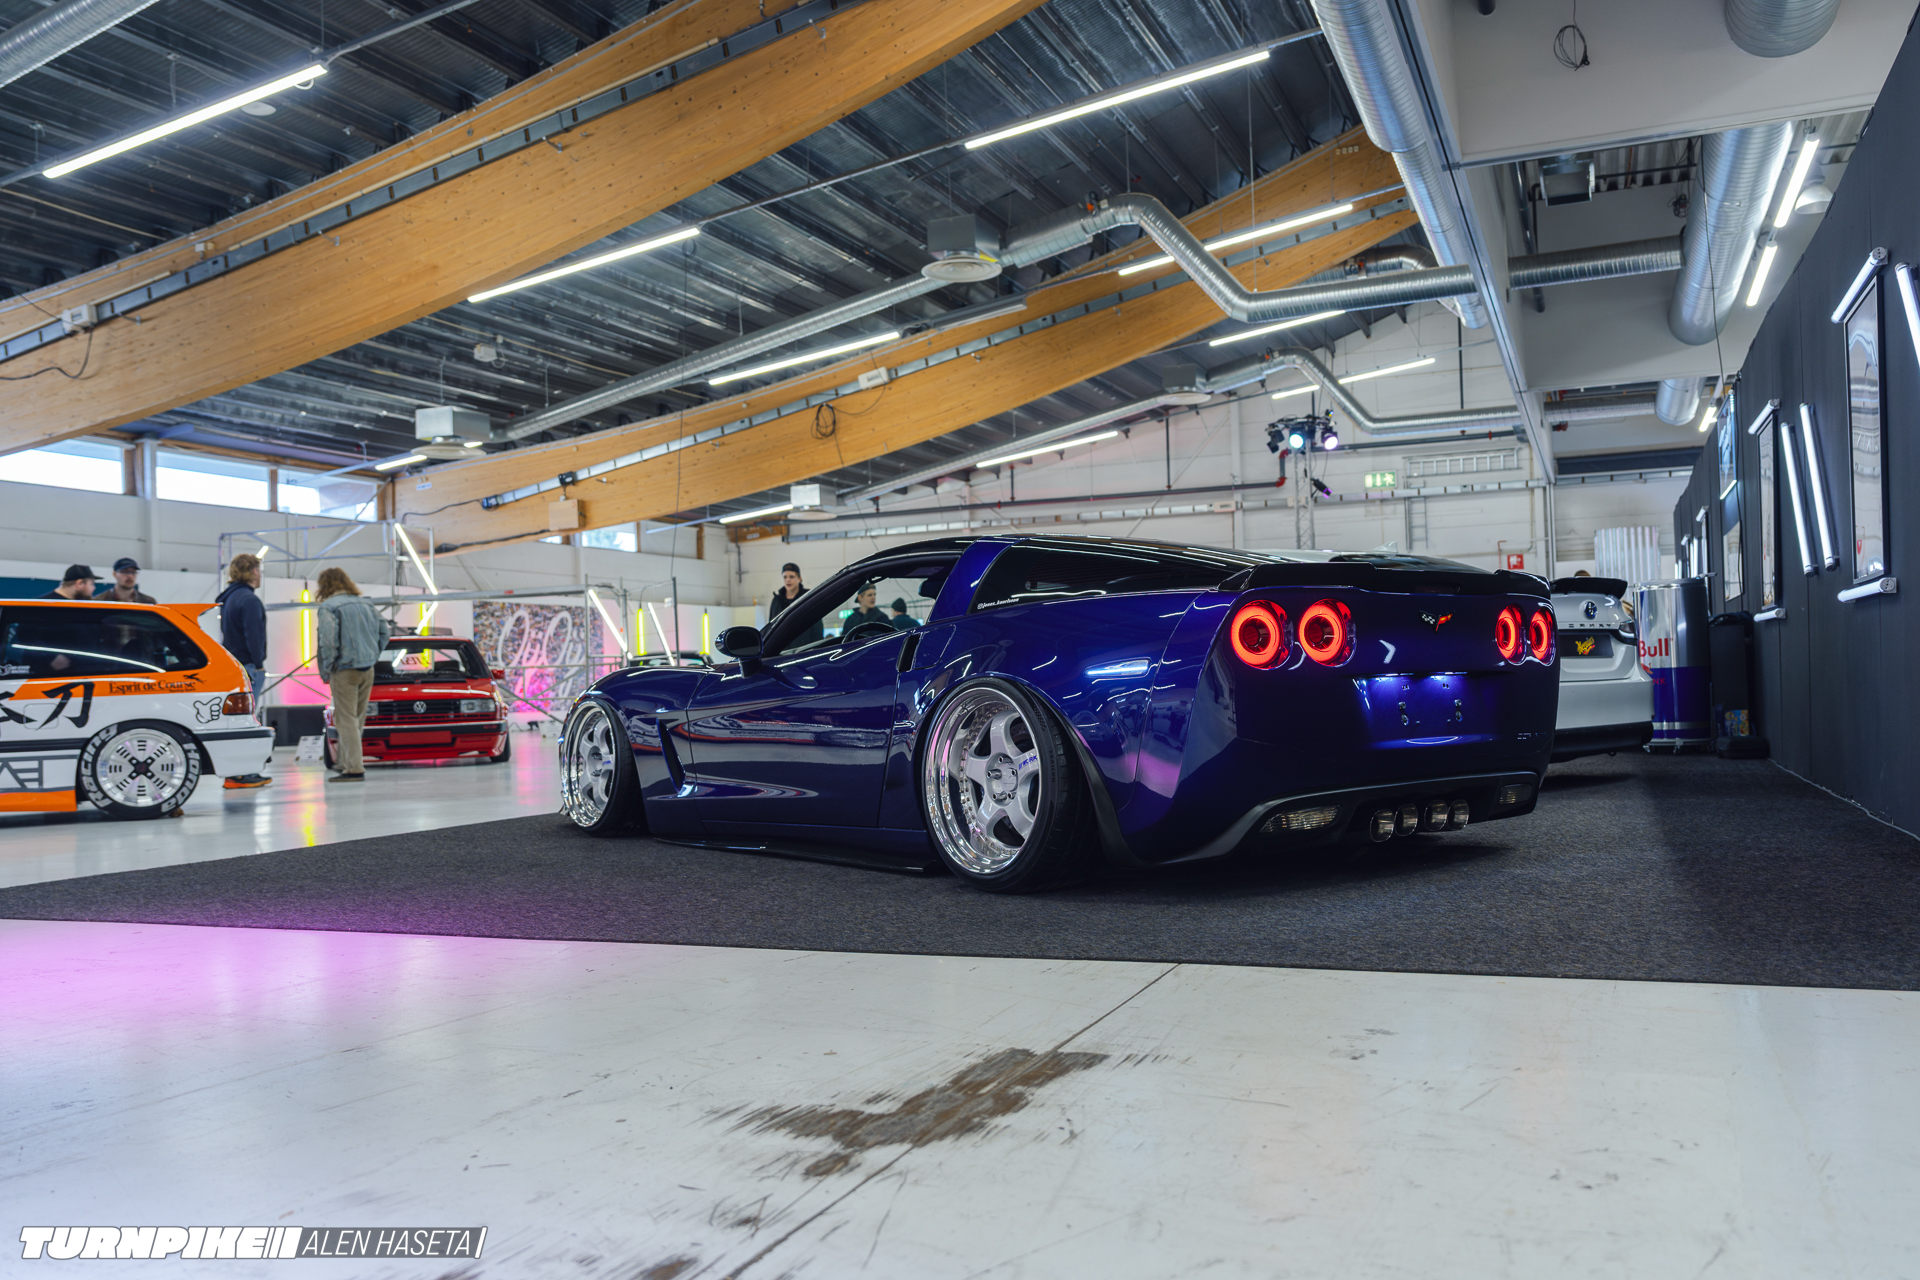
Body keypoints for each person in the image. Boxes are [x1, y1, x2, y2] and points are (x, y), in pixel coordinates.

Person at [315, 567, 391, 783]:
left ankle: (355, 768)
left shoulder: (329, 607)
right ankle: (346, 762)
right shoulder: (367, 604)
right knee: (357, 719)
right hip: (368, 668)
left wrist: (330, 665)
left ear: (324, 585)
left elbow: (328, 640)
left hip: (344, 669)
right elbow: (384, 632)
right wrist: (373, 654)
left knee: (345, 719)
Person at [215, 554, 271, 790]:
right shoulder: (249, 600)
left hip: (234, 665)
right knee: (247, 721)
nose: (260, 575)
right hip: (248, 666)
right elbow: (253, 635)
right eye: (259, 571)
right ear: (253, 571)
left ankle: (236, 773)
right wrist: (258, 664)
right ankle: (242, 774)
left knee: (237, 721)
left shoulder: (229, 598)